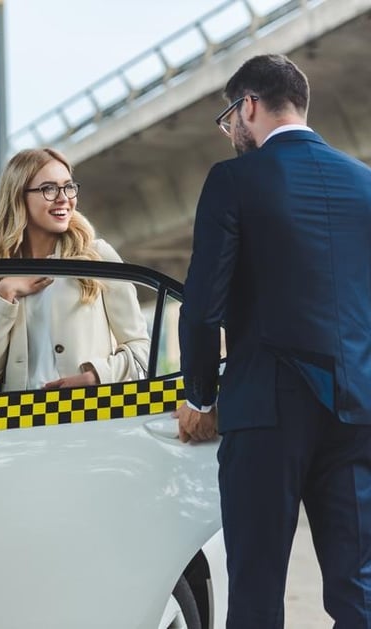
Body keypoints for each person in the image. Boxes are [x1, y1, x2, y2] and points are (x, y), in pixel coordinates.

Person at [173, 53, 371, 628]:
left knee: (257, 591)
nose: (230, 130)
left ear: (249, 106)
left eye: (229, 116)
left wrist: (201, 397)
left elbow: (204, 306)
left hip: (267, 409)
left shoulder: (233, 179)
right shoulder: (365, 184)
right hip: (358, 408)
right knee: (359, 591)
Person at [0, 147, 150, 391]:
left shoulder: (97, 257)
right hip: (18, 423)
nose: (64, 197)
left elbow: (141, 349)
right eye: (49, 189)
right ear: (19, 197)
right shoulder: (1, 275)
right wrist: (5, 292)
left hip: (88, 417)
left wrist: (95, 377)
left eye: (68, 186)